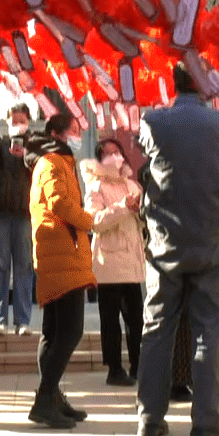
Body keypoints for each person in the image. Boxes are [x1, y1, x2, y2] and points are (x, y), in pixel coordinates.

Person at [135, 66, 219, 436]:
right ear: (207, 84)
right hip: (212, 237)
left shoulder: (153, 121)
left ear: (173, 84)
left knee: (156, 327)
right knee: (208, 330)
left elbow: (149, 162)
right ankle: (206, 420)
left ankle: (149, 417)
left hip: (165, 241)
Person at [29, 112, 97, 429]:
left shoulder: (57, 161)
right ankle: (44, 399)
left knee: (54, 333)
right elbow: (59, 204)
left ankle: (51, 396)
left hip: (59, 254)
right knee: (69, 332)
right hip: (62, 254)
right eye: (74, 129)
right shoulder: (53, 162)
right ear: (57, 134)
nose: (78, 134)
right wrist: (90, 221)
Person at [85, 138, 147, 387]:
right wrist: (123, 207)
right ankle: (114, 368)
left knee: (136, 320)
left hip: (132, 260)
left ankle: (138, 365)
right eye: (108, 154)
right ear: (100, 160)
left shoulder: (132, 184)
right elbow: (94, 221)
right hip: (109, 261)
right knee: (110, 320)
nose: (114, 157)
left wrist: (140, 212)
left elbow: (142, 220)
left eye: (117, 152)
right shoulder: (96, 186)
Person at [0, 106, 37, 336]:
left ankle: (23, 321)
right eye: (14, 120)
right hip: (0, 212)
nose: (18, 123)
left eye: (22, 119)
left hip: (24, 213)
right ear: (8, 122)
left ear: (29, 121)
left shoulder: (35, 146)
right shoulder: (0, 144)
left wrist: (27, 156)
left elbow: (42, 165)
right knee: (0, 265)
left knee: (23, 265)